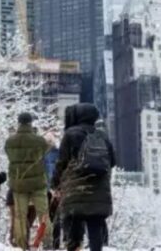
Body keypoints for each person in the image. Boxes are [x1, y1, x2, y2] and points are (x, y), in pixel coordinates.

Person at [55, 103, 115, 251]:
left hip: (76, 187)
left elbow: (62, 162)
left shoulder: (70, 134)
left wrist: (55, 183)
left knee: (74, 226)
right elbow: (112, 161)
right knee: (95, 225)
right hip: (99, 188)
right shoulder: (103, 135)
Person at [5, 112, 51, 249]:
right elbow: (45, 151)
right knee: (43, 213)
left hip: (19, 183)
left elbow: (10, 156)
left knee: (20, 216)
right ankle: (47, 242)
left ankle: (22, 245)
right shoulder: (39, 141)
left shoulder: (10, 142)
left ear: (18, 123)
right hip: (38, 184)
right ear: (31, 123)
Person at [43, 132, 62, 249]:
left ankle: (47, 244)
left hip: (45, 190)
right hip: (57, 189)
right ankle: (55, 244)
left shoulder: (41, 155)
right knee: (56, 217)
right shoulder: (59, 154)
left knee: (45, 217)